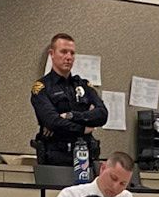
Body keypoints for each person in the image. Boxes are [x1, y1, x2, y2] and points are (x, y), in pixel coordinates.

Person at [30, 33, 107, 169]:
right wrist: (83, 128)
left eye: (72, 53)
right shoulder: (42, 87)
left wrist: (71, 116)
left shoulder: (83, 85)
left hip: (85, 157)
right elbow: (53, 122)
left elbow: (102, 115)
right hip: (56, 159)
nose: (69, 57)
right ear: (52, 54)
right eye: (64, 52)